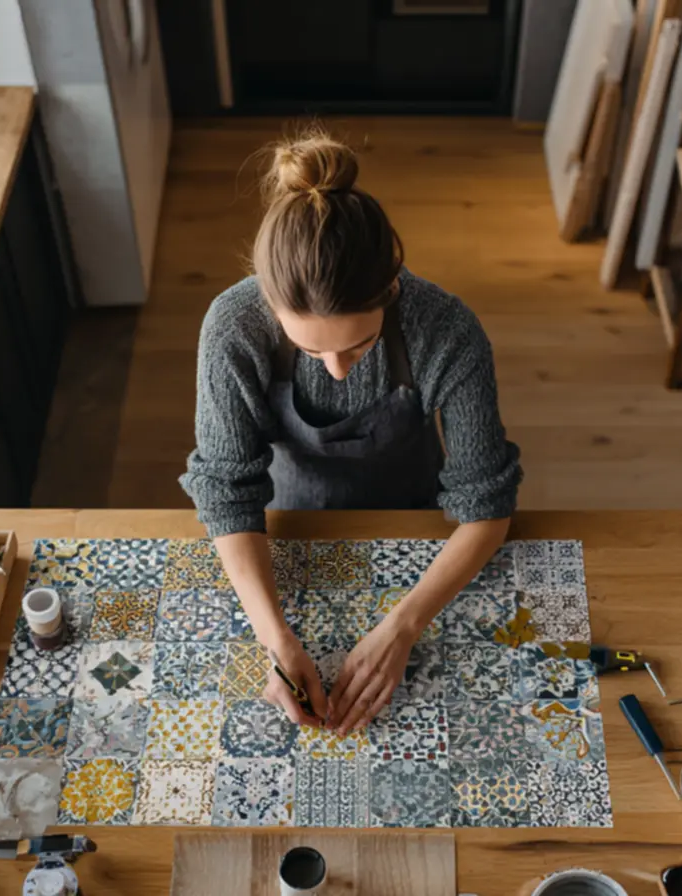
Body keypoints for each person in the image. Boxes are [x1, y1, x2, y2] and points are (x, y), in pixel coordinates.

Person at [180, 129, 521, 734]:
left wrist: (403, 626)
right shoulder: (232, 327)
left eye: (359, 344)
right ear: (268, 300)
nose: (337, 368)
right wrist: (277, 642)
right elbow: (227, 495)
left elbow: (486, 507)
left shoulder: (445, 331)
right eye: (309, 349)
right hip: (286, 526)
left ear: (389, 287)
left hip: (419, 526)